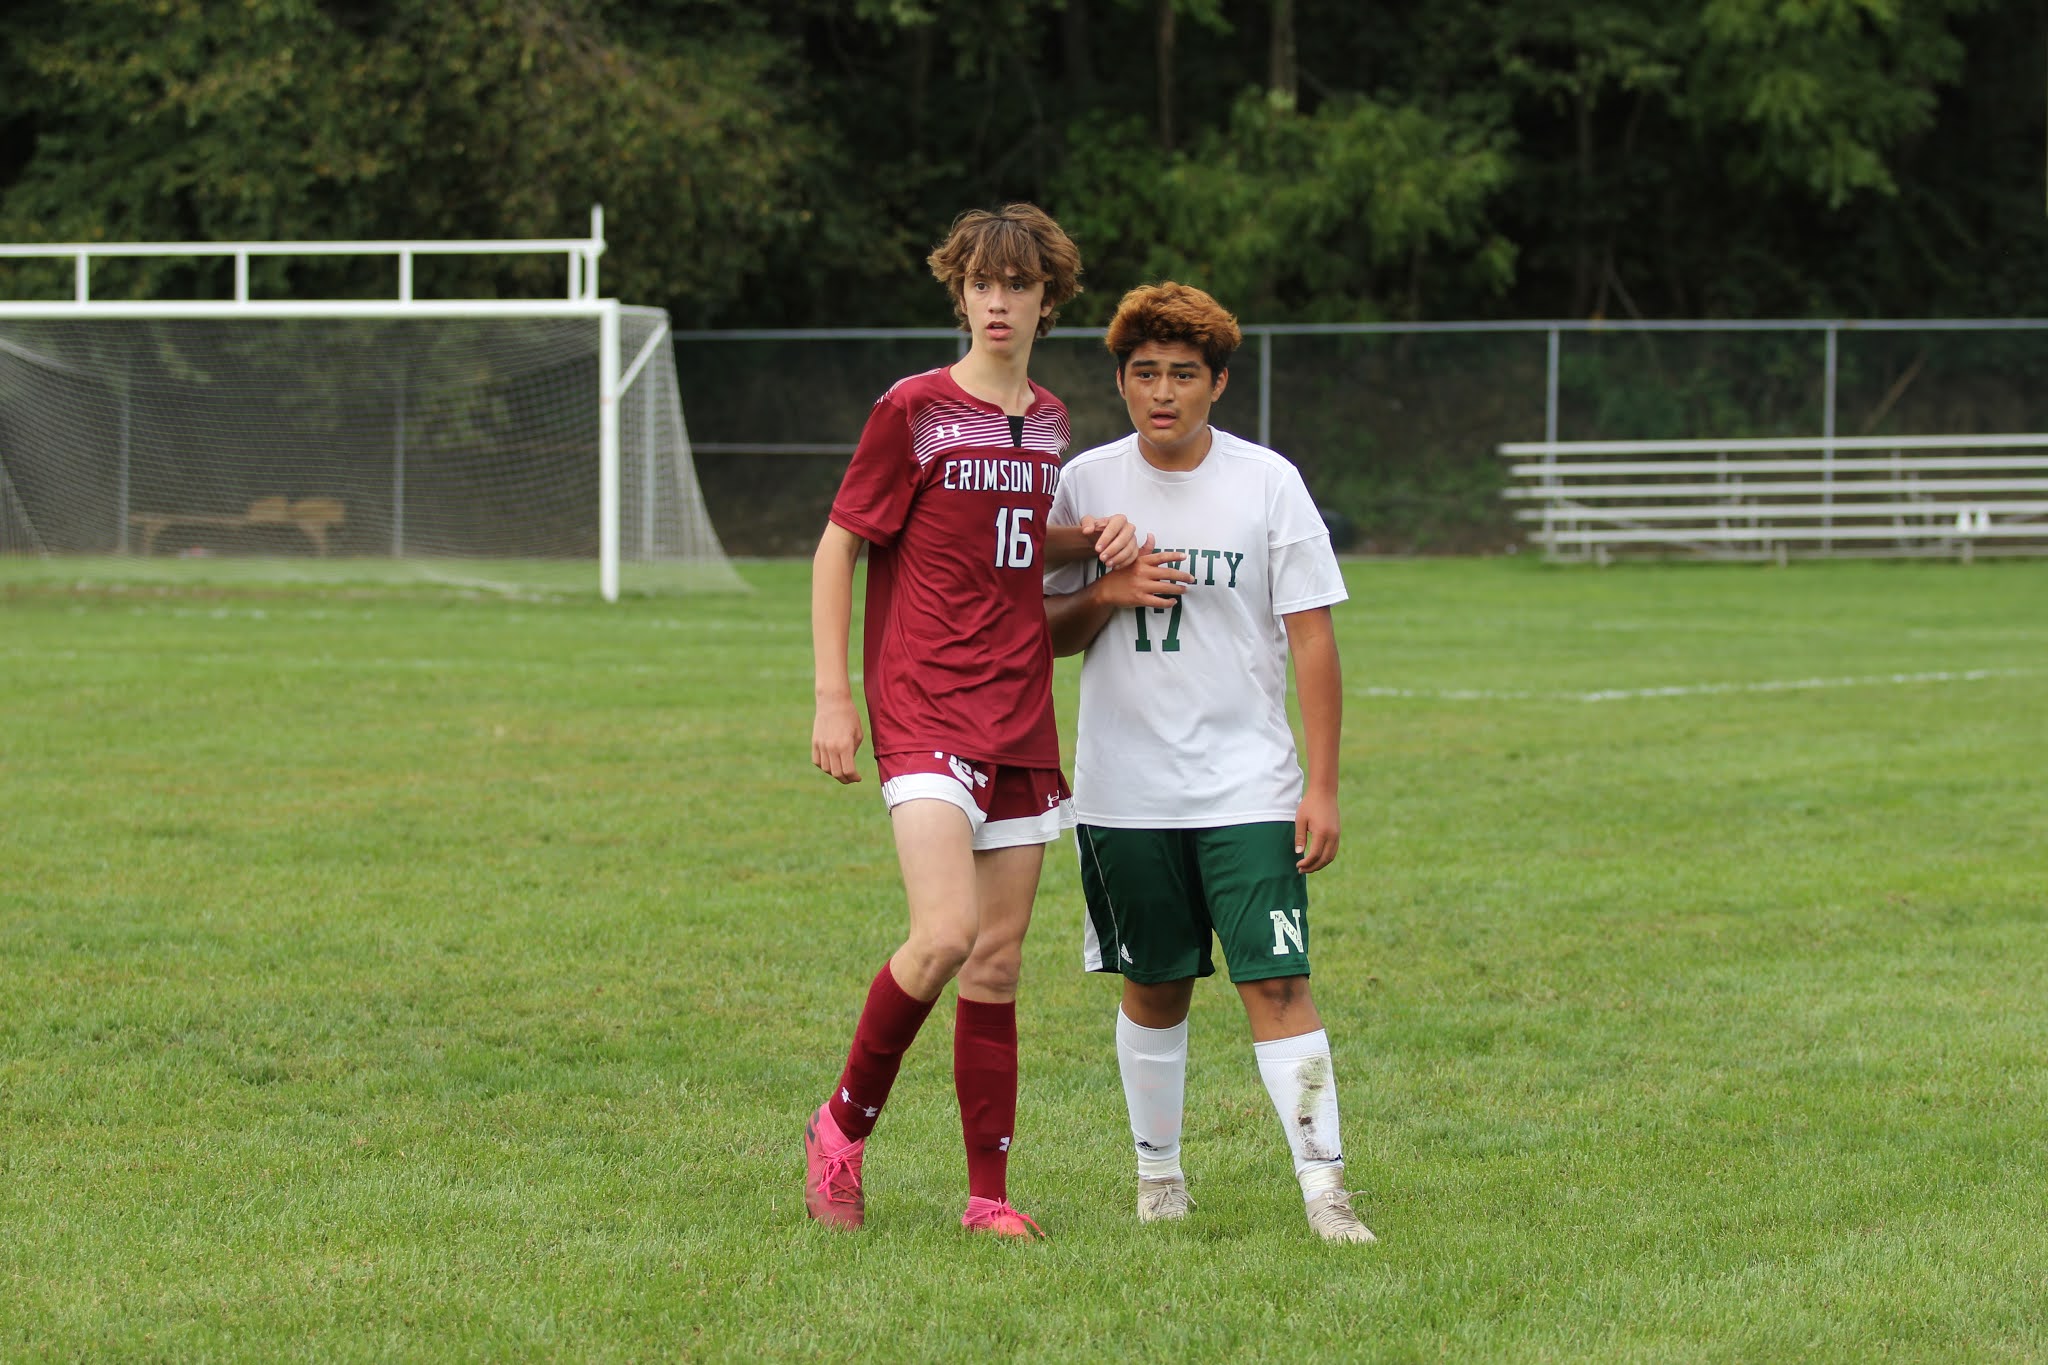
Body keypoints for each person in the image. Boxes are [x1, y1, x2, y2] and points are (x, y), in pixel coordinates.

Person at [805, 204, 1135, 1240]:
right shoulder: (910, 409)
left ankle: (985, 1199)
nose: (999, 300)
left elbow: (1014, 539)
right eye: (982, 283)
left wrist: (1090, 537)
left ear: (1048, 298)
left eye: (1019, 284)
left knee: (996, 963)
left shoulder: (1047, 418)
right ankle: (839, 1131)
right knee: (942, 934)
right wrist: (832, 695)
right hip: (921, 704)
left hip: (1018, 712)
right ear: (960, 293)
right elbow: (837, 546)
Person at [1042, 281, 1376, 1244]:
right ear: (1120, 379)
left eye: (1183, 374)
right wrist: (1107, 589)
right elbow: (1046, 633)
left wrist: (1321, 784)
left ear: (1218, 383)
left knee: (1276, 980)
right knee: (1154, 985)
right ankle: (1159, 1176)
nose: (1162, 392)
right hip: (1123, 790)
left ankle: (1325, 1188)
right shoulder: (1085, 484)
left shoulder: (1268, 481)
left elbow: (1312, 639)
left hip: (1248, 786)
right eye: (1144, 373)